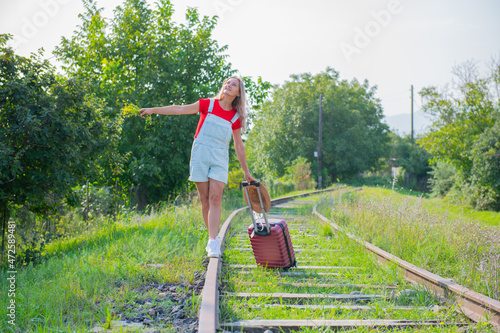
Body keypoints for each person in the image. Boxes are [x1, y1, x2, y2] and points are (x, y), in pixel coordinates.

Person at [139, 77, 256, 258]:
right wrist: (153, 110)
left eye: (234, 85)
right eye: (227, 82)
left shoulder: (235, 117)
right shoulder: (207, 104)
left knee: (215, 198)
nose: (228, 85)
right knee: (204, 199)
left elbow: (239, 145)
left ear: (238, 93)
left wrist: (246, 172)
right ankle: (213, 237)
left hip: (219, 157)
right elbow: (179, 109)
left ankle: (212, 242)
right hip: (200, 154)